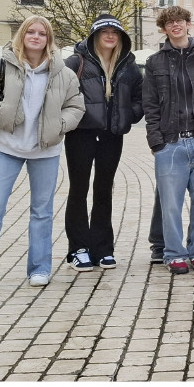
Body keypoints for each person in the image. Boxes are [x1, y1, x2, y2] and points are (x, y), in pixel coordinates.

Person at [0, 16, 84, 293]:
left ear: (49, 39)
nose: (36, 37)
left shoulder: (63, 73)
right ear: (22, 35)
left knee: (42, 212)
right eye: (30, 32)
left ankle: (39, 269)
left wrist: (60, 125)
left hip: (45, 151)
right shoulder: (1, 65)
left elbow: (76, 107)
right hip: (6, 148)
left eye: (42, 33)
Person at [142, 5, 194, 275]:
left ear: (189, 24)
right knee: (170, 204)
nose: (175, 26)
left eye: (180, 21)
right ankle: (174, 253)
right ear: (164, 28)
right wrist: (157, 142)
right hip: (171, 143)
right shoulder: (155, 62)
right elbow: (150, 105)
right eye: (169, 23)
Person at [63, 15, 143, 272]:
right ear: (95, 35)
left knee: (104, 189)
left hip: (112, 135)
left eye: (115, 32)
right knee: (78, 189)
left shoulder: (128, 66)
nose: (110, 35)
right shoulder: (77, 62)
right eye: (105, 31)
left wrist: (129, 114)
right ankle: (78, 248)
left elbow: (141, 97)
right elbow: (61, 95)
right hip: (81, 134)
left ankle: (103, 248)